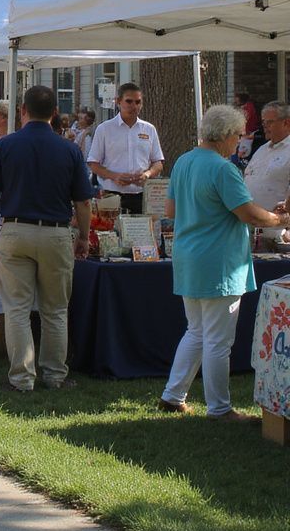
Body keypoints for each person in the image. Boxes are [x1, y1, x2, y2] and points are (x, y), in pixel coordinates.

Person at [159, 104, 290, 420]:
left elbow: (171, 210)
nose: (240, 142)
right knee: (218, 340)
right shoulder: (223, 168)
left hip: (189, 256)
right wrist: (280, 217)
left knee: (197, 331)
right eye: (239, 136)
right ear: (227, 135)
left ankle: (173, 395)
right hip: (219, 262)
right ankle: (219, 408)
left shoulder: (184, 161)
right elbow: (246, 212)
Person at [0, 84, 94, 392]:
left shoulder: (4, 145)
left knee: (17, 309)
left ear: (22, 111)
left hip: (15, 230)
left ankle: (22, 378)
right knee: (55, 310)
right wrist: (84, 236)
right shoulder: (70, 149)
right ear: (54, 114)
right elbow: (83, 202)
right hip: (55, 233)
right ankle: (54, 375)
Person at [86, 82, 164, 214]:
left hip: (141, 195)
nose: (134, 106)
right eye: (129, 101)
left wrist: (147, 174)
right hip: (111, 195)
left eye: (138, 102)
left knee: (140, 232)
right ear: (118, 102)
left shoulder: (149, 129)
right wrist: (114, 176)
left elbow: (158, 162)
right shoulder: (105, 129)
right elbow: (93, 163)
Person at [242, 101, 290, 251]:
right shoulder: (262, 149)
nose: (265, 126)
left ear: (286, 122)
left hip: (280, 237)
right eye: (263, 122)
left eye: (270, 122)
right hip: (253, 234)